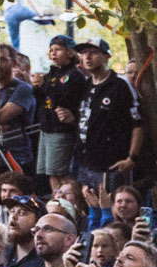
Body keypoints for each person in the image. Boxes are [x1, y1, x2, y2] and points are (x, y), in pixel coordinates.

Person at [74, 40, 141, 192]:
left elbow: (137, 124)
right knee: (90, 211)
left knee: (114, 212)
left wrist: (131, 158)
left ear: (106, 56)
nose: (87, 57)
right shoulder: (85, 85)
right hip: (85, 164)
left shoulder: (120, 85)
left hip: (112, 165)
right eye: (84, 53)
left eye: (93, 52)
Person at [38, 37, 90, 181]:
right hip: (46, 127)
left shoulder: (74, 75)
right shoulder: (51, 74)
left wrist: (44, 85)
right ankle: (56, 200)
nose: (54, 53)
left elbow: (61, 98)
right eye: (51, 50)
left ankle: (66, 201)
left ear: (70, 52)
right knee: (50, 172)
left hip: (61, 129)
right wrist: (37, 87)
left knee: (60, 173)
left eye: (58, 49)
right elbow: (43, 99)